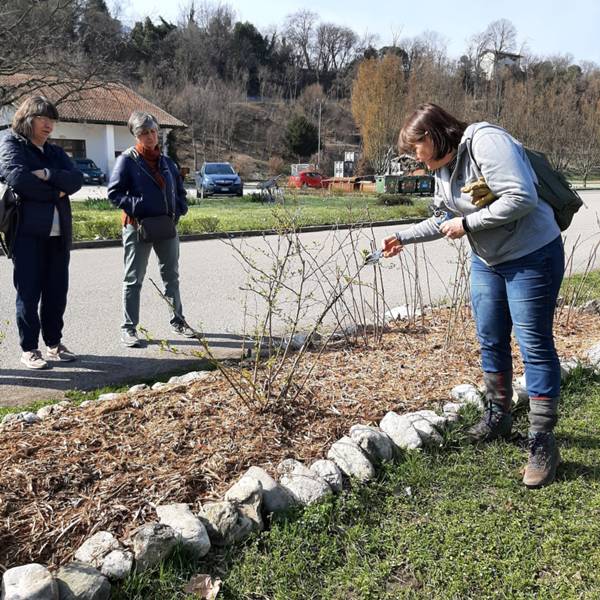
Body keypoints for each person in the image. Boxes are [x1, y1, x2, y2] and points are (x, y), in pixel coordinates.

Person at [382, 103, 564, 488]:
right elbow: (441, 216)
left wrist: (467, 224)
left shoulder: (486, 141)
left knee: (534, 344)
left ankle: (542, 441)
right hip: (488, 260)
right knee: (490, 337)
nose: (415, 157)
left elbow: (521, 197)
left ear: (432, 136)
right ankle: (499, 415)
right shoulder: (442, 168)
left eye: (416, 148)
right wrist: (404, 237)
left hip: (532, 255)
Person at [0, 96, 83, 369]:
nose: (49, 125)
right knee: (29, 292)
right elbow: (17, 178)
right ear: (27, 119)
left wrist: (47, 173)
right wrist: (57, 190)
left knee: (56, 292)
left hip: (59, 234)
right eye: (43, 119)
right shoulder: (11, 143)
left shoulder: (55, 152)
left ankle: (54, 344)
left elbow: (76, 179)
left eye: (52, 120)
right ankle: (30, 349)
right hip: (27, 233)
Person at [108, 110, 194, 347]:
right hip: (138, 228)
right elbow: (114, 194)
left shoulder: (167, 162)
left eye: (153, 131)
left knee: (171, 277)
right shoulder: (127, 160)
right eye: (144, 133)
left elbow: (179, 190)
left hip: (166, 228)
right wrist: (139, 207)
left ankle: (178, 321)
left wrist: (180, 209)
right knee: (133, 279)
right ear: (136, 135)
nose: (150, 137)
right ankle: (129, 329)